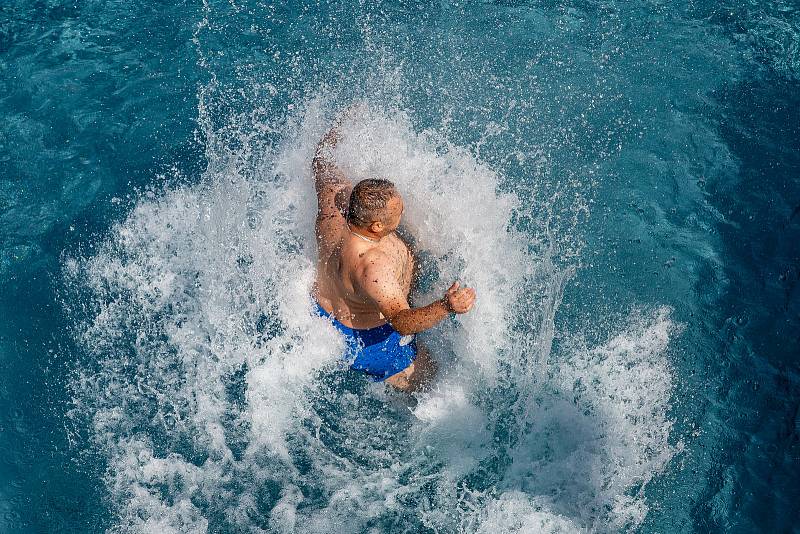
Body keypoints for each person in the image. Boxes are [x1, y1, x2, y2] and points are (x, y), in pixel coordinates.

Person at [311, 109, 476, 392]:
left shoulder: (333, 209)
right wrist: (447, 306)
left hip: (323, 312)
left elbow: (320, 162)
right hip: (368, 339)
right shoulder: (373, 268)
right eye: (398, 212)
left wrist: (343, 122)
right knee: (426, 382)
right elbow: (401, 321)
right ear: (376, 226)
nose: (403, 211)